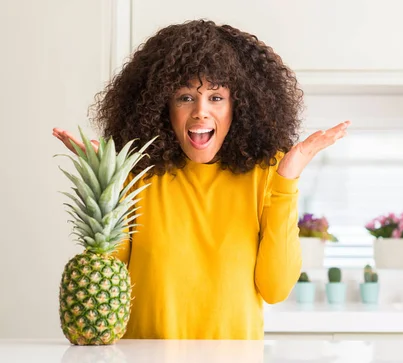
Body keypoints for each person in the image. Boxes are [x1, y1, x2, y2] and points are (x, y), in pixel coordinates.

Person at [52, 19, 350, 340]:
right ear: (161, 106)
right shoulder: (135, 173)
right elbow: (108, 281)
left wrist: (287, 180)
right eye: (184, 97)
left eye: (216, 98)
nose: (200, 112)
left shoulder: (267, 174)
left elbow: (275, 288)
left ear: (239, 106)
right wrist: (104, 176)